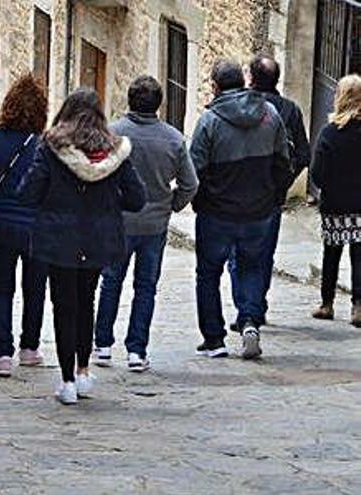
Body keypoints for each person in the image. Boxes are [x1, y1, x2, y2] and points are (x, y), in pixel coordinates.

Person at [18, 87, 146, 405]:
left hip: (59, 238)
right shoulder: (116, 152)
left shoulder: (50, 147)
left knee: (64, 306)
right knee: (86, 302)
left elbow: (28, 192)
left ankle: (66, 381)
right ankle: (84, 370)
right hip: (98, 238)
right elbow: (136, 198)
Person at [93, 76, 198, 372]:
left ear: (129, 99)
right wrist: (171, 205)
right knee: (146, 287)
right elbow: (190, 184)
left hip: (119, 222)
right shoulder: (174, 139)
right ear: (159, 103)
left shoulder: (112, 133)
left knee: (110, 281)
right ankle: (137, 351)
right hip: (154, 224)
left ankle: (102, 345)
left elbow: (98, 173)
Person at [189, 59, 291, 360]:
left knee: (208, 273)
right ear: (244, 83)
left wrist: (201, 201)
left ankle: (214, 338)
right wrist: (272, 196)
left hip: (216, 213)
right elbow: (283, 162)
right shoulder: (270, 114)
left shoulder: (209, 121)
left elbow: (196, 170)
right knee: (252, 267)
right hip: (258, 211)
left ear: (215, 86)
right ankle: (249, 320)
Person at [0, 74, 49, 377]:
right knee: (35, 288)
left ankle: (3, 354)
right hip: (36, 228)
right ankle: (30, 348)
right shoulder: (44, 145)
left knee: (0, 288)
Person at [227, 54, 312, 329]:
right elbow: (303, 154)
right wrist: (283, 182)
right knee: (262, 254)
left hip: (237, 192)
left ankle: (246, 311)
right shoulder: (289, 110)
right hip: (270, 196)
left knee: (237, 255)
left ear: (250, 78)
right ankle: (255, 307)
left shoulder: (236, 107)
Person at [310, 74, 361, 327]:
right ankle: (359, 306)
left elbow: (317, 174)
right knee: (360, 255)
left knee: (331, 253)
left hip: (335, 205)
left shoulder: (329, 133)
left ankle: (327, 303)